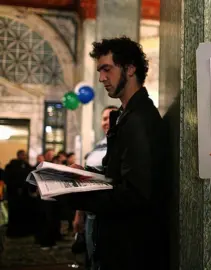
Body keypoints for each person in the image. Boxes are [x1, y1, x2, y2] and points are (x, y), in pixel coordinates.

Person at [59, 36, 170, 270]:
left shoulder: (139, 119)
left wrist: (76, 194)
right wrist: (84, 175)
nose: (101, 78)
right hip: (122, 245)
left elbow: (135, 195)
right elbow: (118, 174)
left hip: (132, 252)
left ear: (130, 69)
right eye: (100, 71)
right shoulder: (127, 115)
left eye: (107, 69)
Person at [73, 105, 117, 270]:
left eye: (111, 118)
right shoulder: (98, 145)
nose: (107, 122)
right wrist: (79, 214)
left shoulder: (121, 144)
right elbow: (85, 182)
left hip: (107, 215)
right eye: (104, 118)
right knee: (91, 257)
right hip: (90, 214)